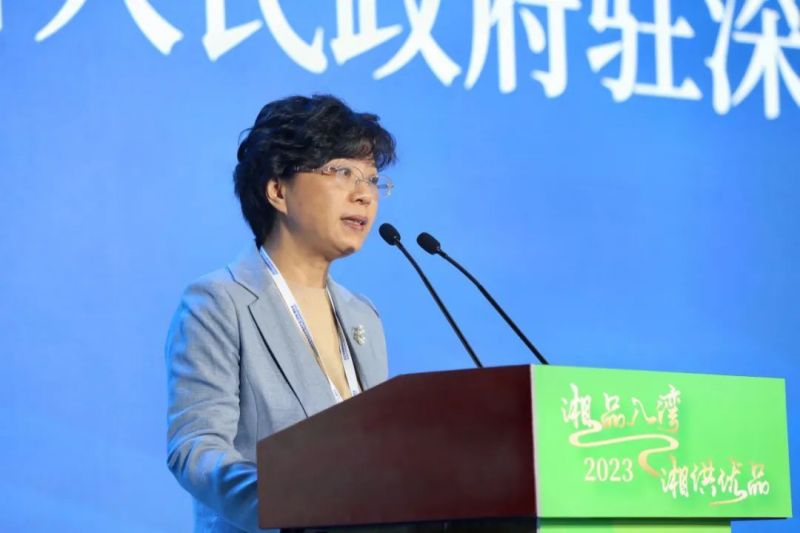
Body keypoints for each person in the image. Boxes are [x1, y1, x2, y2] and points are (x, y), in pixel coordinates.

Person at [165, 94, 396, 533]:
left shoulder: (363, 316)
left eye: (371, 179)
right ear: (277, 190)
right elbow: (195, 449)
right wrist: (291, 506)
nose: (364, 194)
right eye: (342, 172)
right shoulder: (218, 303)